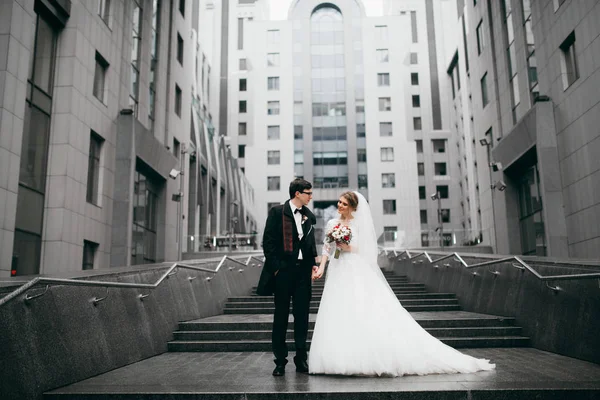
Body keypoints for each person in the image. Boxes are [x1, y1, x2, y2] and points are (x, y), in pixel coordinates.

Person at [309, 191, 495, 377]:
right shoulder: (332, 224)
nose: (340, 206)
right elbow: (327, 247)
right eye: (339, 202)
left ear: (353, 207)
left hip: (355, 267)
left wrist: (348, 247)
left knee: (360, 307)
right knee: (338, 309)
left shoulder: (358, 225)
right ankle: (338, 355)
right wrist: (322, 267)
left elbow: (366, 248)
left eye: (344, 204)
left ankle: (362, 356)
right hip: (338, 267)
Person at [257, 178, 319, 376]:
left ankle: (301, 359)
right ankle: (280, 361)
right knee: (281, 317)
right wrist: (277, 269)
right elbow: (268, 243)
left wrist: (315, 264)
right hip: (284, 272)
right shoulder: (277, 212)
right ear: (297, 193)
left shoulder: (309, 215)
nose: (311, 196)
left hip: (303, 273)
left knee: (302, 318)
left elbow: (310, 243)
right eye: (308, 193)